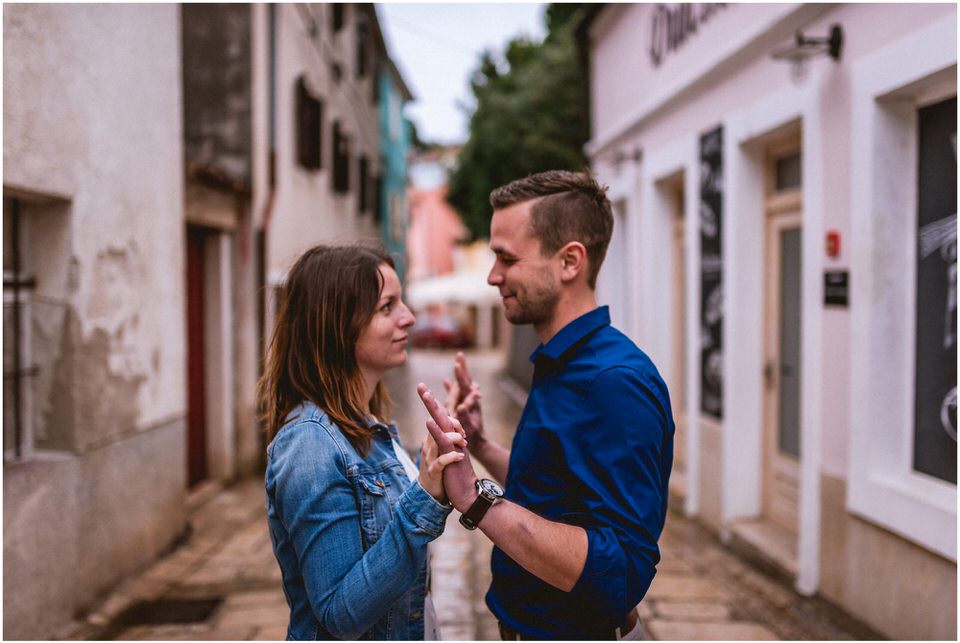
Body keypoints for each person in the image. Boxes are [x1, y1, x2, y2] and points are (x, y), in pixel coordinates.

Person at [417, 170, 675, 640]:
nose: (494, 276)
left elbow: (621, 574)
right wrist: (480, 445)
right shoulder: (561, 360)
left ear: (569, 261)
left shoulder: (611, 382)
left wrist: (477, 502)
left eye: (506, 258)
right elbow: (557, 495)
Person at [258, 244, 466, 640]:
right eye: (387, 307)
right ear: (339, 324)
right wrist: (424, 496)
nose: (408, 318)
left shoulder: (368, 425)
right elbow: (339, 613)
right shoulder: (310, 446)